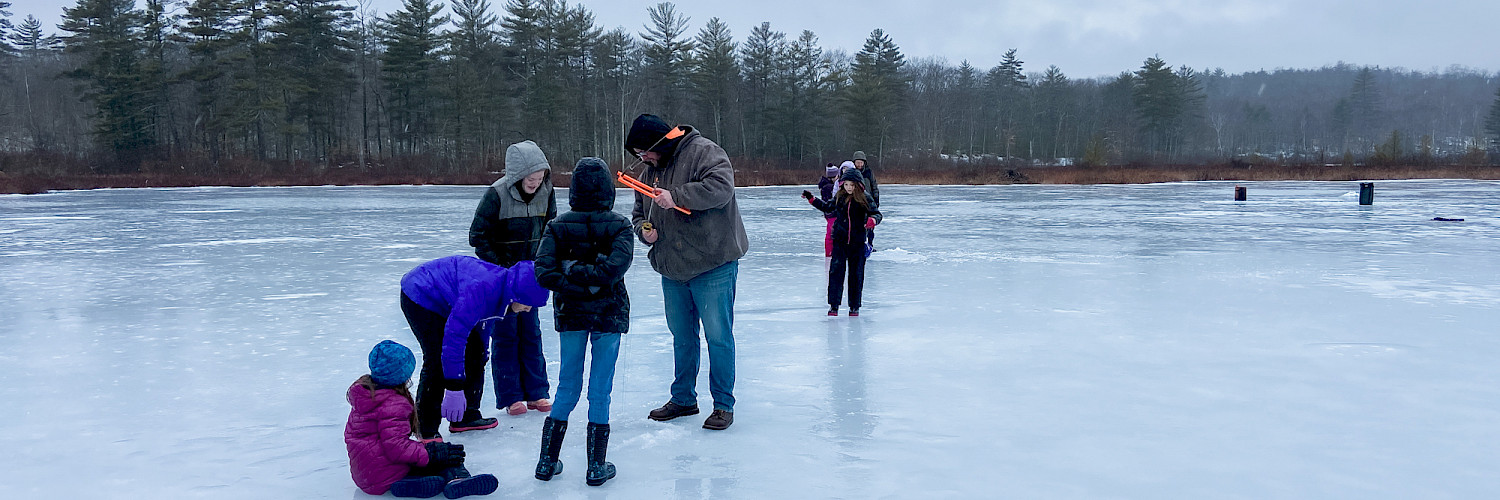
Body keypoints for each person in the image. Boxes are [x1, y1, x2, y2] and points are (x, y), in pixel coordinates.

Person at [625, 113, 749, 431]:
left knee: (718, 337)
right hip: (673, 267)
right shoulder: (650, 169)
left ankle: (723, 404)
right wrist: (645, 230)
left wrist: (677, 197)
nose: (644, 159)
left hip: (713, 263)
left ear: (660, 142)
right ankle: (683, 399)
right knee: (682, 337)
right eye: (639, 155)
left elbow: (722, 187)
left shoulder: (705, 151)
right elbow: (639, 213)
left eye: (645, 152)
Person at [532, 157, 633, 486]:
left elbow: (547, 272)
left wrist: (573, 273)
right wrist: (591, 282)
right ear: (608, 190)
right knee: (600, 390)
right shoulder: (619, 225)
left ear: (573, 190)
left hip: (572, 313)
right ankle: (595, 467)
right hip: (609, 313)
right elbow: (612, 270)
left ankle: (546, 462)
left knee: (567, 385)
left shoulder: (557, 226)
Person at [400, 256, 550, 440]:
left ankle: (466, 416)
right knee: (437, 358)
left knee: (475, 351)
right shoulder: (481, 289)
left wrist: (481, 354)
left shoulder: (503, 290)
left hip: (450, 295)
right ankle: (426, 428)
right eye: (528, 304)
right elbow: (454, 338)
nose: (528, 310)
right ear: (517, 295)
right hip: (421, 293)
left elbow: (483, 326)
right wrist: (454, 388)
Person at [345, 340, 499, 498]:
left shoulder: (365, 395)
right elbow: (397, 447)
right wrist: (431, 453)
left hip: (366, 476)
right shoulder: (394, 404)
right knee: (448, 456)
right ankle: (457, 478)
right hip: (387, 473)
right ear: (402, 375)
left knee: (432, 454)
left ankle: (408, 485)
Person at [469, 140, 556, 417]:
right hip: (502, 278)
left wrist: (543, 263)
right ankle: (511, 396)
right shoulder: (496, 194)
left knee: (531, 333)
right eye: (531, 179)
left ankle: (537, 392)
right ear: (518, 175)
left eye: (540, 178)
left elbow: (551, 231)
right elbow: (478, 237)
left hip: (531, 277)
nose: (535, 183)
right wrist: (501, 268)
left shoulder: (547, 192)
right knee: (506, 334)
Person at [802, 167, 881, 316]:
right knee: (836, 273)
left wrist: (872, 220)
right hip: (840, 241)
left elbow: (877, 214)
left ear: (858, 185)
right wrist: (811, 199)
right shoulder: (840, 196)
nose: (849, 188)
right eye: (846, 185)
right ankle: (834, 305)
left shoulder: (865, 198)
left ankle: (854, 306)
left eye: (852, 185)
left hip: (857, 242)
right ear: (842, 185)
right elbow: (827, 207)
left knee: (856, 275)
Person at [851, 151, 880, 252]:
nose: (859, 165)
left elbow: (874, 187)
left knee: (870, 225)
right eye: (857, 162)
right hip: (856, 203)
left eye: (861, 162)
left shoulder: (869, 172)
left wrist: (876, 200)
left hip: (868, 202)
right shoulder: (852, 173)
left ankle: (870, 245)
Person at [817, 163, 840, 270]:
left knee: (833, 234)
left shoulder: (826, 186)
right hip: (832, 214)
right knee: (831, 234)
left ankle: (831, 253)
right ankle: (829, 254)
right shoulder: (829, 187)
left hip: (829, 214)